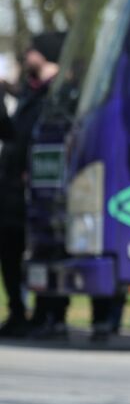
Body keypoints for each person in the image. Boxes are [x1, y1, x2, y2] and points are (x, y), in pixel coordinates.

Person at [0, 32, 65, 337]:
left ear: (46, 54)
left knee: (47, 249)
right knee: (12, 249)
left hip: (45, 187)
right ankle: (20, 311)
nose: (26, 55)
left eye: (32, 50)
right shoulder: (31, 92)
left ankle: (49, 315)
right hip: (15, 187)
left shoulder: (59, 94)